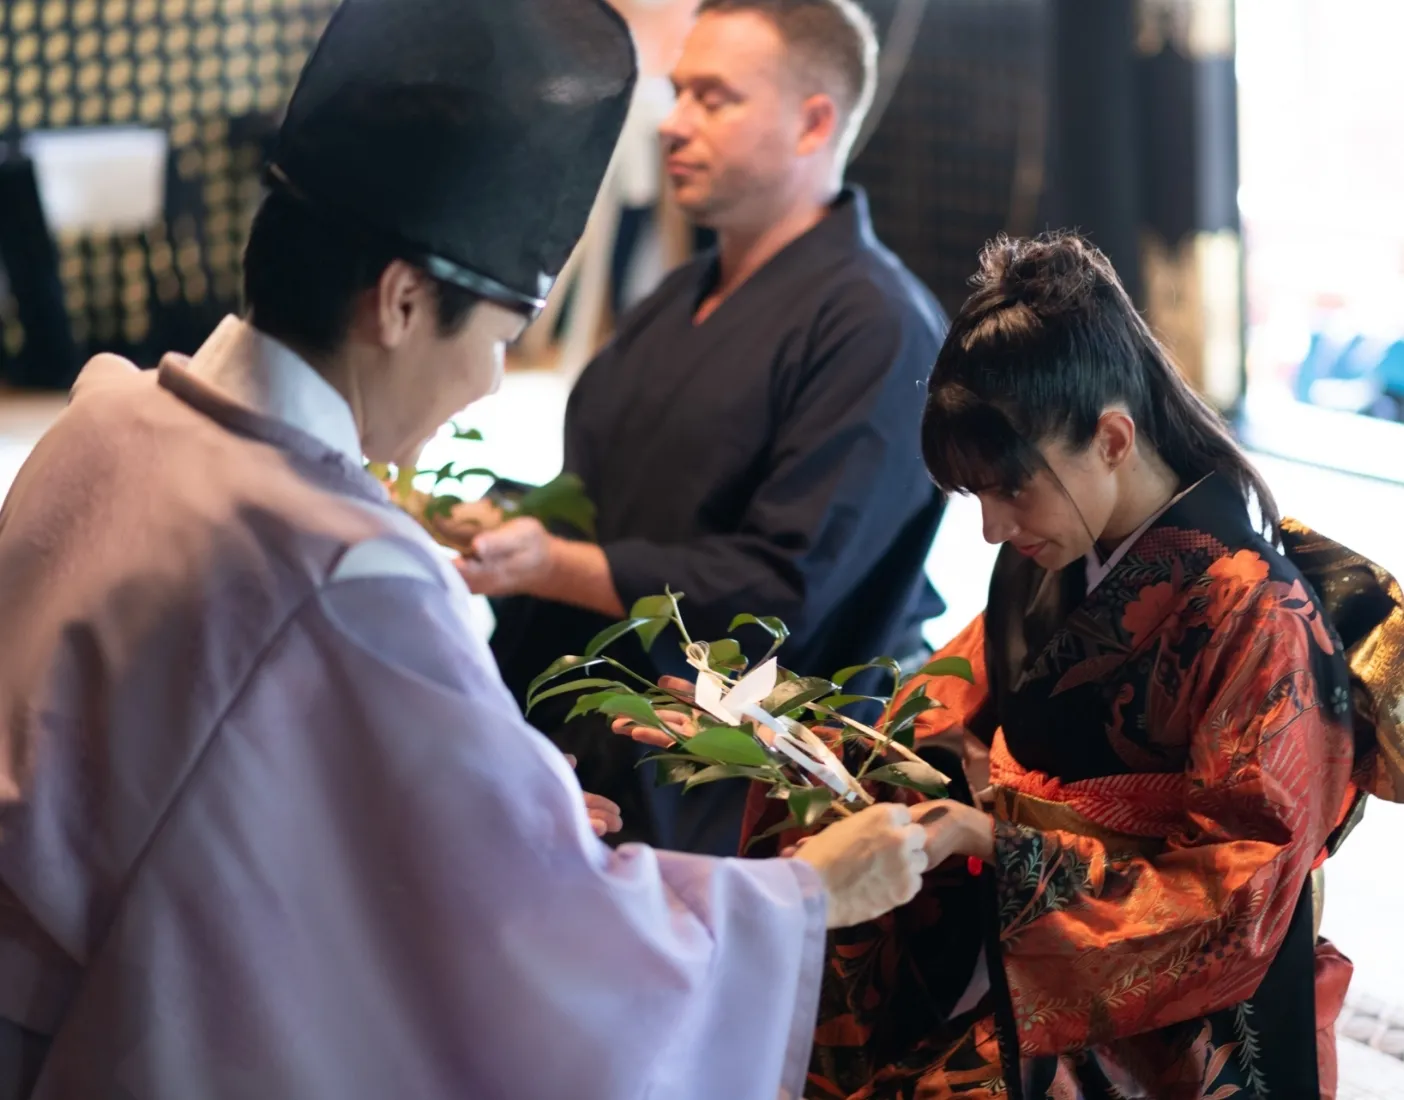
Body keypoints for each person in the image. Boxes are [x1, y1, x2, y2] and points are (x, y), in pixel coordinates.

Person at [0, 3, 943, 1097]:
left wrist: (514, 799)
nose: (496, 378)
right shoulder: (348, 566)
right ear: (402, 301)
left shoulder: (101, 419)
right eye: (497, 335)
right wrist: (802, 897)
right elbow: (539, 929)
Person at [618, 233, 1404, 1097]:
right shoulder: (1049, 559)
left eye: (1009, 489)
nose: (992, 528)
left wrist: (999, 838)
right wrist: (775, 737)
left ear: (1111, 437)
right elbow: (926, 721)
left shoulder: (1258, 613)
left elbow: (1237, 901)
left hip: (1169, 1020)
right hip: (1025, 940)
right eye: (977, 496)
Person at [462, 0, 950, 858]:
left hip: (731, 782)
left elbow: (783, 592)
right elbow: (605, 495)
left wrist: (554, 563)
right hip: (590, 740)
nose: (673, 123)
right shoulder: (672, 301)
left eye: (713, 98)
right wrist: (503, 523)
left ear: (813, 122)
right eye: (678, 91)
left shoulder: (879, 325)